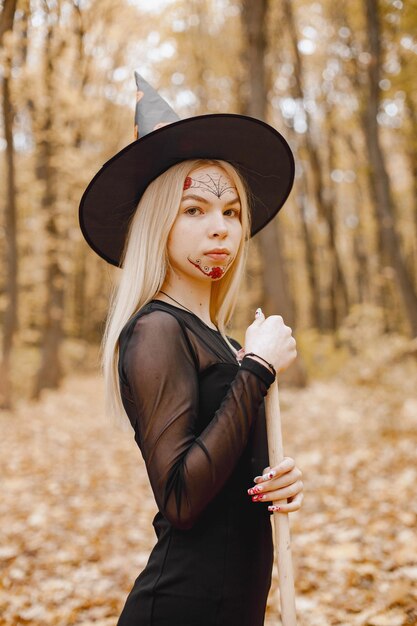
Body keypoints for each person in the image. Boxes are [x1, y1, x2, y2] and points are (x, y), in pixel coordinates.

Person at [79, 73, 303, 626]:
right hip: (181, 608)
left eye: (230, 212)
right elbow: (180, 499)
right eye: (195, 210)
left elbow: (223, 470)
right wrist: (258, 369)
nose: (220, 229)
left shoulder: (224, 341)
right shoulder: (156, 331)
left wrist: (271, 482)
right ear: (160, 222)